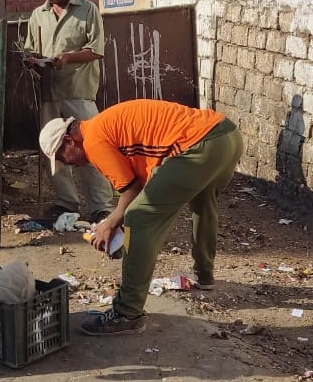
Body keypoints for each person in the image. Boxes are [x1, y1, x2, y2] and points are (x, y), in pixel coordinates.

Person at [39, 99, 244, 336]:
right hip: (226, 136)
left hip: (200, 146)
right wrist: (116, 223)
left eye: (63, 157)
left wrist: (110, 224)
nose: (69, 164)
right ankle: (204, 274)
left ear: (69, 141)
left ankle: (127, 312)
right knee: (203, 202)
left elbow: (131, 191)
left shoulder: (93, 141)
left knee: (139, 217)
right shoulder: (102, 125)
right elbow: (145, 184)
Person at [22, 0, 116, 224]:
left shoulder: (87, 10)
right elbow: (30, 48)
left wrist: (69, 58)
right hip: (49, 92)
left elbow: (96, 50)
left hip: (79, 91)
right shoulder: (38, 15)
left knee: (91, 147)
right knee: (54, 150)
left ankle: (101, 206)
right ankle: (65, 202)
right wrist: (31, 60)